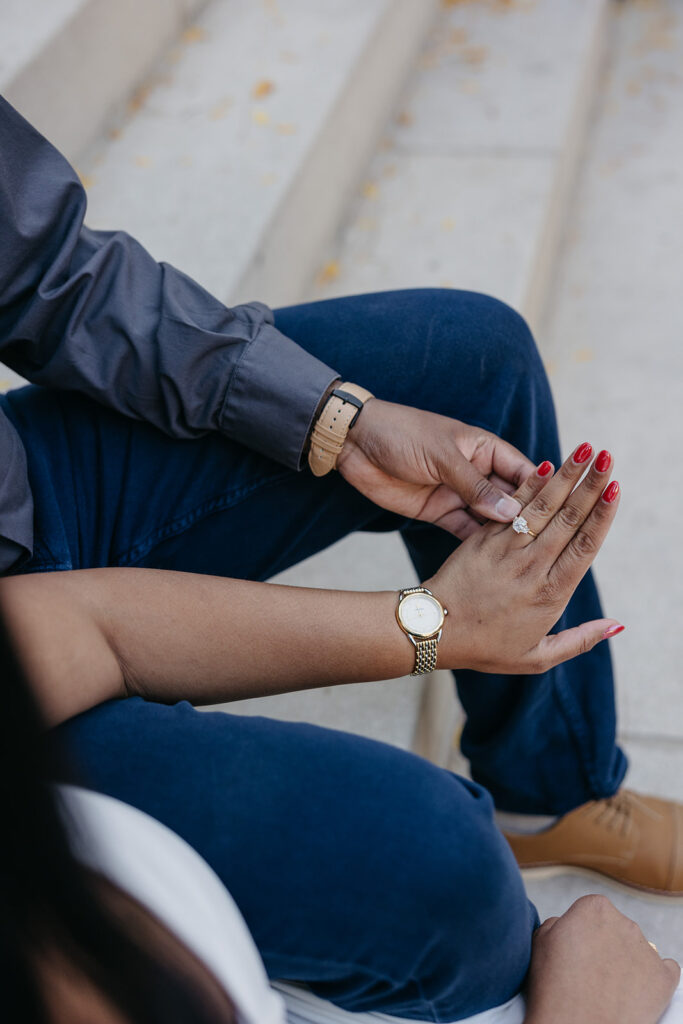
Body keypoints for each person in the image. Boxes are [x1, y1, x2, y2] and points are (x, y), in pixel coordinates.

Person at [0, 92, 681, 1019]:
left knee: (472, 359)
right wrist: (430, 626)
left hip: (24, 501)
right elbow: (80, 635)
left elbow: (48, 269)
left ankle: (551, 790)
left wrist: (338, 422)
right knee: (440, 872)